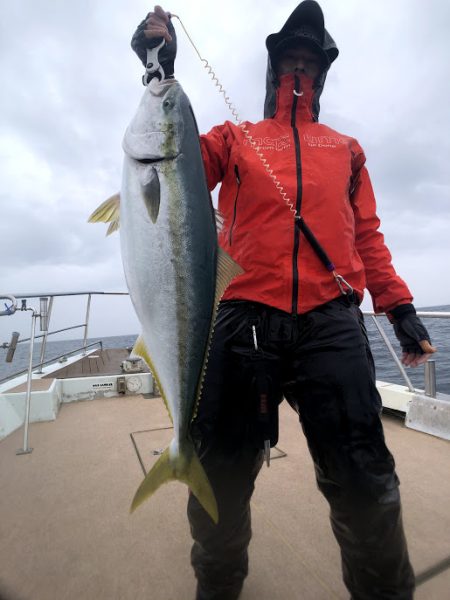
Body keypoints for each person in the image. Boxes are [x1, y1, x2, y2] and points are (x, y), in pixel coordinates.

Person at [132, 3, 436, 599]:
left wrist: (398, 306)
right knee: (220, 473)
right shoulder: (234, 140)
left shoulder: (346, 149)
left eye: (310, 61)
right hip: (243, 318)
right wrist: (158, 66)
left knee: (364, 478)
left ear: (321, 74)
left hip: (331, 324)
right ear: (273, 69)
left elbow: (366, 234)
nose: (300, 67)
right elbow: (173, 166)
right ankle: (217, 587)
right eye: (290, 58)